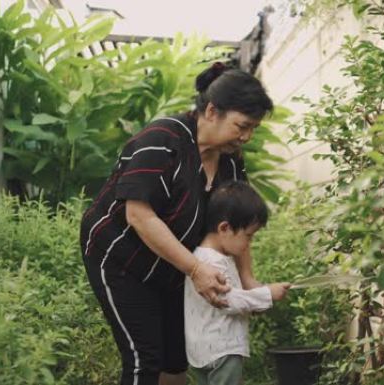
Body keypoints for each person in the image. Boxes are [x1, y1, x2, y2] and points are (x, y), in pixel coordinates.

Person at [80, 62, 274, 385]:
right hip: (119, 257)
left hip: (173, 264)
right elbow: (138, 215)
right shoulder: (162, 140)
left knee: (176, 358)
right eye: (242, 126)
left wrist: (248, 280)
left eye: (253, 128)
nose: (247, 137)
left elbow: (237, 225)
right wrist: (196, 270)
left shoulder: (231, 164)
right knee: (145, 358)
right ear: (212, 111)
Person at [184, 180, 290, 385]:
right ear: (224, 228)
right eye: (249, 236)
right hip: (222, 350)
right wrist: (268, 293)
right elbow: (228, 301)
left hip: (202, 350)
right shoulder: (211, 263)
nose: (249, 243)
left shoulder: (200, 257)